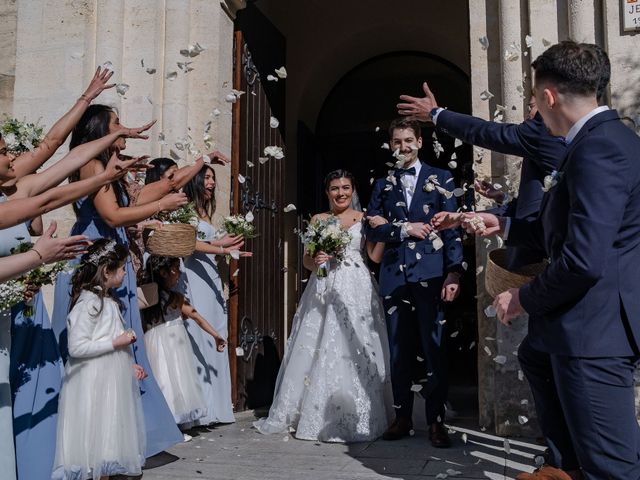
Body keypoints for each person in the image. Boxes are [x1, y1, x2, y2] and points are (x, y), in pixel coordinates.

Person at [436, 41, 640, 480]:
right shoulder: (594, 141)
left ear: (547, 96)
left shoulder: (599, 149)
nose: (534, 110)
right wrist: (503, 223)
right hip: (571, 330)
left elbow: (584, 259)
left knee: (612, 468)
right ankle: (560, 468)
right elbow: (570, 229)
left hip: (591, 335)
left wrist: (522, 298)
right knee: (535, 355)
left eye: (533, 98)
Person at [51, 104, 186, 457]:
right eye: (117, 123)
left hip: (115, 255)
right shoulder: (91, 164)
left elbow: (134, 199)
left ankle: (125, 433)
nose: (123, 128)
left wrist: (170, 186)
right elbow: (112, 214)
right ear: (99, 129)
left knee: (126, 340)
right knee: (103, 338)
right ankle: (97, 436)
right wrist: (160, 207)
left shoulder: (109, 167)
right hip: (97, 259)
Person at [254, 169, 392, 442]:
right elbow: (306, 260)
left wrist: (384, 231)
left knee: (357, 341)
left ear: (353, 190)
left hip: (356, 286)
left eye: (345, 187)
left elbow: (374, 258)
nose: (341, 193)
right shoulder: (318, 219)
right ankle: (312, 411)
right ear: (327, 192)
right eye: (335, 188)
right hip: (324, 285)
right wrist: (316, 260)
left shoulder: (363, 219)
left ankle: (363, 413)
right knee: (320, 342)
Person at [365, 118, 463, 448]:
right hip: (394, 277)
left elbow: (452, 229)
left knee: (434, 349)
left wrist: (453, 273)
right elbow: (372, 229)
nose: (403, 147)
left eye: (408, 140)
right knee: (398, 352)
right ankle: (403, 417)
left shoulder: (443, 178)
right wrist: (404, 229)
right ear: (390, 145)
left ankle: (436, 422)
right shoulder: (382, 184)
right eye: (397, 142)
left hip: (432, 275)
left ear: (420, 142)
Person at [52, 239, 146, 479]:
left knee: (106, 445)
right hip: (92, 384)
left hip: (109, 382)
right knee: (94, 443)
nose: (126, 273)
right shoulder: (89, 303)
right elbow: (77, 347)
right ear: (106, 271)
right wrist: (117, 343)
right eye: (123, 268)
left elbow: (105, 337)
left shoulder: (107, 301)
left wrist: (127, 364)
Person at [180, 164, 250, 425]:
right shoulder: (185, 211)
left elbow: (210, 244)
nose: (211, 183)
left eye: (212, 178)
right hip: (194, 277)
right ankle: (200, 410)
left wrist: (228, 245)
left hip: (209, 276)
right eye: (206, 178)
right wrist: (221, 249)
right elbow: (189, 243)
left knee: (216, 334)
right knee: (200, 336)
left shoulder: (205, 214)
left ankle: (217, 407)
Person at [142, 255, 226, 433]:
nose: (179, 274)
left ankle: (175, 423)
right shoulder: (148, 294)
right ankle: (163, 422)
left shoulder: (177, 298)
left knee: (178, 378)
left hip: (177, 344)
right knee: (163, 377)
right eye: (175, 270)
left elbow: (195, 315)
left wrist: (216, 335)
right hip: (157, 342)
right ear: (163, 272)